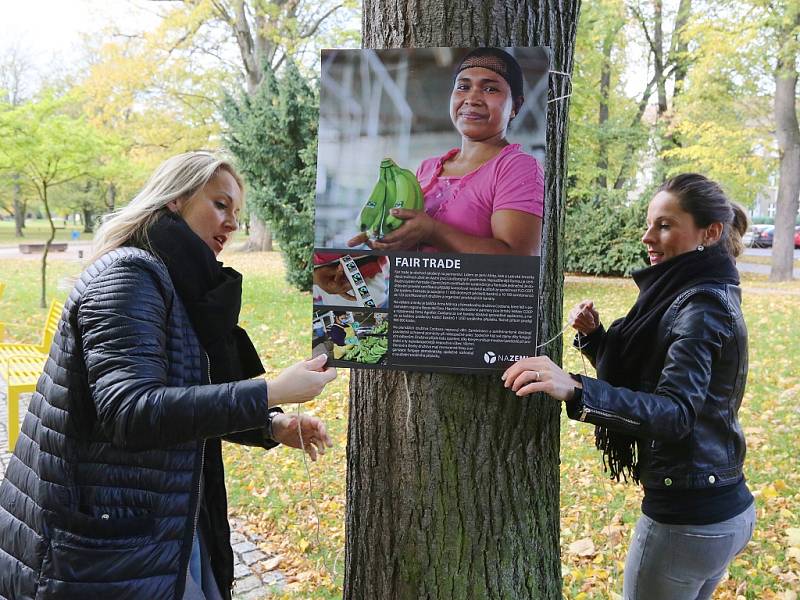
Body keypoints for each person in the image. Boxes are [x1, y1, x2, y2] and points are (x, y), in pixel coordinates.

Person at [0, 152, 337, 600]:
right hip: (98, 543)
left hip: (152, 518)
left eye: (236, 212)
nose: (232, 223)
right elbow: (130, 412)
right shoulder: (128, 277)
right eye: (220, 205)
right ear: (176, 199)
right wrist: (269, 390)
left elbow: (180, 396)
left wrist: (270, 424)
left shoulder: (175, 280)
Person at [502, 174, 755, 599]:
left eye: (664, 225)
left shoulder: (701, 305)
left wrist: (578, 390)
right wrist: (597, 339)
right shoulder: (693, 289)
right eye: (650, 223)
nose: (647, 237)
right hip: (719, 509)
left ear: (709, 233)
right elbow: (656, 377)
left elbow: (675, 413)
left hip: (688, 520)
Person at [347, 47, 544, 255]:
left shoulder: (517, 167)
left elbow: (519, 258)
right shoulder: (427, 167)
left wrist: (432, 231)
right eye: (463, 87)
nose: (472, 98)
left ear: (515, 105)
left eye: (490, 89)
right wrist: (384, 237)